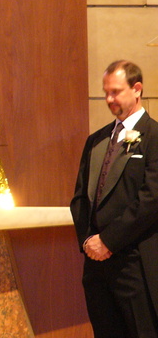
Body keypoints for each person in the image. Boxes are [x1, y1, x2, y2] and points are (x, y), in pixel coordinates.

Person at [70, 60, 158, 337]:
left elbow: (151, 200)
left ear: (137, 89)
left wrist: (108, 240)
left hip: (135, 262)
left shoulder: (155, 137)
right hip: (96, 265)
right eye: (106, 92)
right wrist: (88, 241)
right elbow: (80, 198)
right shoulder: (96, 140)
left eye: (116, 92)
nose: (109, 99)